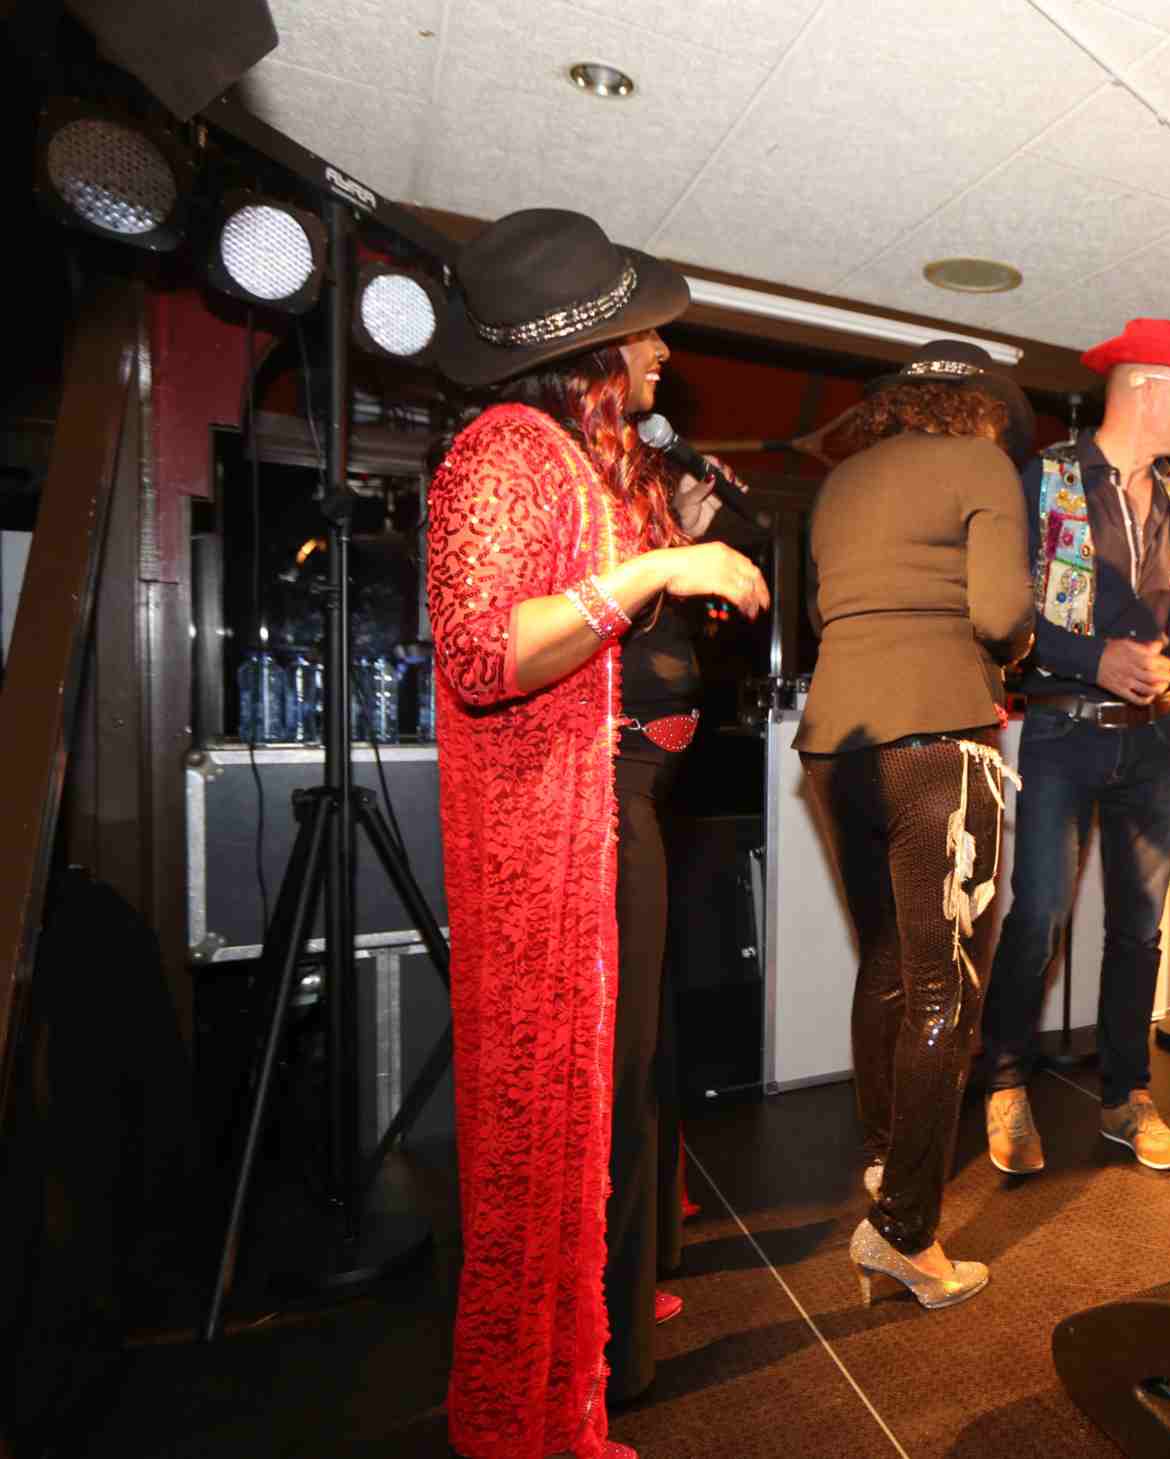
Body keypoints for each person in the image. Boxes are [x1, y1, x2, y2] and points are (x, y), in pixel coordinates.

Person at [429, 210, 769, 1459]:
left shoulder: (576, 459)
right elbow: (484, 652)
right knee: (579, 1100)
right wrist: (659, 573)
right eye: (647, 334)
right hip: (568, 817)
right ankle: (549, 1383)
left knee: (628, 1087)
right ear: (593, 348)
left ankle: (605, 1337)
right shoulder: (501, 449)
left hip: (622, 803)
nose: (664, 355)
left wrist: (673, 564)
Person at [795, 340, 1036, 1308]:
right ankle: (903, 1232)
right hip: (938, 739)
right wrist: (1017, 642)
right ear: (978, 408)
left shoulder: (839, 483)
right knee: (946, 990)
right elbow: (1001, 613)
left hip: (834, 745)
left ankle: (884, 1159)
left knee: (887, 961)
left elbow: (823, 611)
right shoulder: (980, 465)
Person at [977, 318, 1170, 1173]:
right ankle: (1004, 1081)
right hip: (1064, 731)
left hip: (1157, 738)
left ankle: (1127, 1096)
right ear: (1148, 386)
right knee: (1040, 913)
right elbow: (1003, 616)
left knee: (1139, 930)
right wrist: (1094, 659)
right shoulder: (1045, 479)